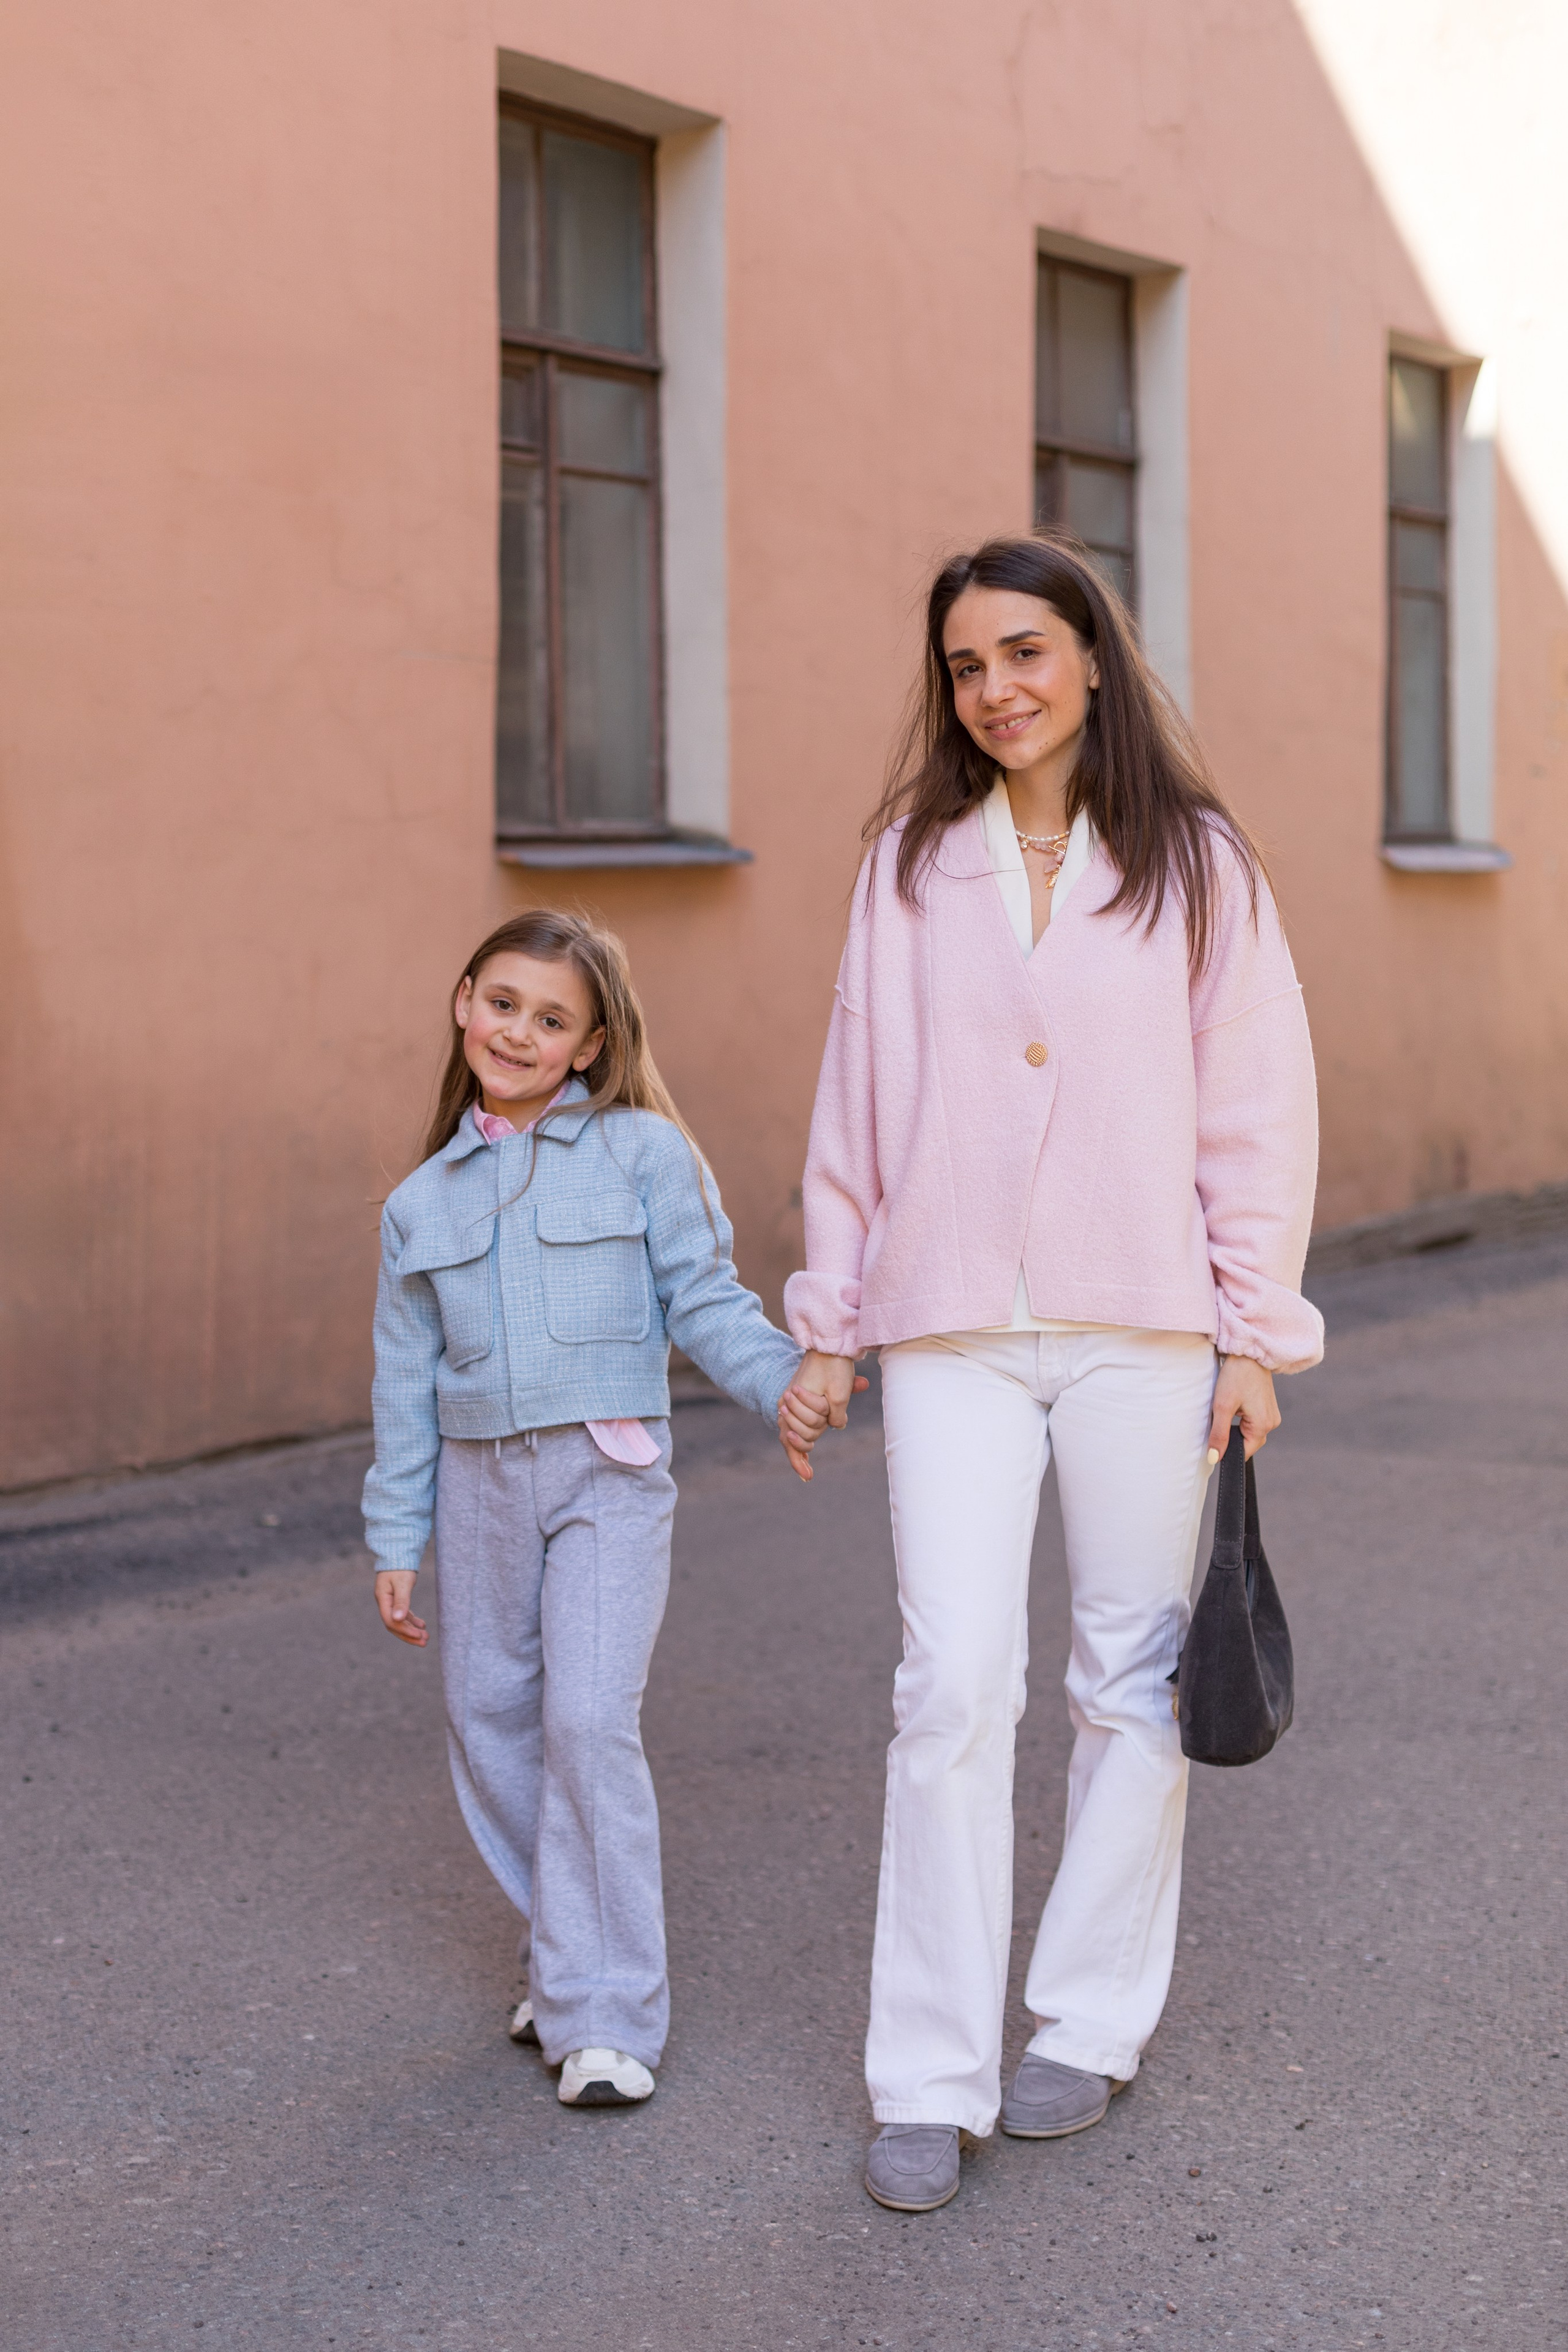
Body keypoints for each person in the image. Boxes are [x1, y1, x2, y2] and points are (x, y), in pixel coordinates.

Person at [785, 532, 1324, 2212]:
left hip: (1142, 1323)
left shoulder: (1197, 864)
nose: (995, 688)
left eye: (1023, 651)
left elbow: (1254, 1108)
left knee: (1129, 1679)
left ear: (1091, 655)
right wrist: (830, 1318)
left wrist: (1254, 1331)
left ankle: (1087, 2022)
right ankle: (924, 2074)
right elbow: (856, 1103)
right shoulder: (908, 866)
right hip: (948, 1320)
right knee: (950, 1684)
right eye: (965, 665)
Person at [363, 910, 829, 2108]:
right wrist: (395, 1535)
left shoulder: (641, 1154)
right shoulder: (419, 1204)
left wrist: (782, 1384)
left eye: (552, 1019)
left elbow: (704, 1296)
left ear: (590, 1045)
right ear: (464, 1002)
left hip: (604, 1474)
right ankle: (568, 1954)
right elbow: (403, 1386)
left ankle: (608, 2015)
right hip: (476, 1485)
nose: (519, 1032)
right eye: (502, 1003)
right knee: (486, 1717)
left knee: (584, 1720)